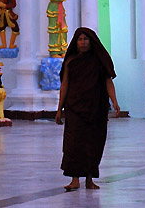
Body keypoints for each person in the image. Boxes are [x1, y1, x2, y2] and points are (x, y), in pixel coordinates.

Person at [55, 27, 119, 191]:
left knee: (93, 143)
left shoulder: (100, 61)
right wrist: (59, 108)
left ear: (92, 41)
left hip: (96, 108)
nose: (83, 42)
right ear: (76, 43)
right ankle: (74, 179)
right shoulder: (71, 61)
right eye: (80, 39)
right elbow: (65, 85)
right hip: (74, 108)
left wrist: (115, 101)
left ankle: (89, 179)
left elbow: (108, 82)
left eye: (86, 39)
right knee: (73, 143)